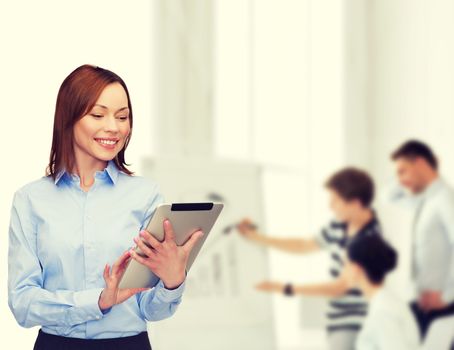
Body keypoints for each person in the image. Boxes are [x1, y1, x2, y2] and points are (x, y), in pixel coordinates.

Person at [8, 65, 203, 350]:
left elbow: (150, 309)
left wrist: (172, 282)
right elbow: (22, 304)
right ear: (68, 118)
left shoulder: (145, 195)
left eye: (122, 117)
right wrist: (98, 301)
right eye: (98, 115)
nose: (114, 127)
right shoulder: (31, 199)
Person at [237, 167, 382, 350]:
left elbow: (339, 287)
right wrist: (258, 237)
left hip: (355, 324)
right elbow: (305, 245)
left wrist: (284, 288)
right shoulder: (340, 224)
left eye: (335, 201)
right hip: (337, 321)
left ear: (355, 203)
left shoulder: (369, 239)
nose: (330, 206)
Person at [391, 140, 454, 339]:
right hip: (422, 304)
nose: (399, 180)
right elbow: (388, 196)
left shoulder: (445, 198)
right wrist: (404, 178)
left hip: (443, 306)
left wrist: (448, 295)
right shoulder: (425, 200)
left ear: (420, 163)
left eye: (403, 171)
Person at [346, 234, 420, 350]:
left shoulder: (383, 312)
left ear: (356, 268)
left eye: (346, 264)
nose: (343, 271)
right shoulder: (386, 302)